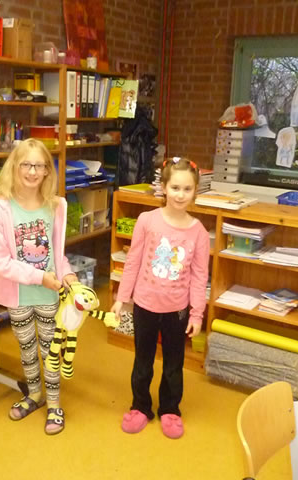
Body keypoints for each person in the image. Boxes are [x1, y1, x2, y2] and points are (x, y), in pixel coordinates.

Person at [111, 157, 209, 439]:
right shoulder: (147, 220)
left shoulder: (199, 233)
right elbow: (132, 262)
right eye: (175, 187)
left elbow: (199, 277)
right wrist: (121, 298)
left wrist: (196, 314)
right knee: (142, 361)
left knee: (173, 364)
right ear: (164, 187)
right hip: (144, 305)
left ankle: (170, 409)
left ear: (195, 191)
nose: (180, 194)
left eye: (187, 189)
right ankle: (140, 406)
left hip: (177, 311)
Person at [0, 138, 77, 435]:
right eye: (26, 164)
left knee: (51, 351)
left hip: (49, 294)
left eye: (39, 165)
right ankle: (35, 395)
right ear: (15, 166)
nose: (33, 171)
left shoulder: (56, 206)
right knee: (27, 350)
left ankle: (54, 404)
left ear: (48, 170)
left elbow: (58, 254)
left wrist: (69, 275)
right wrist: (40, 277)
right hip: (18, 295)